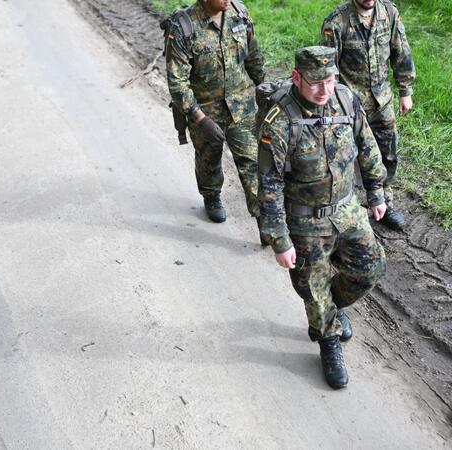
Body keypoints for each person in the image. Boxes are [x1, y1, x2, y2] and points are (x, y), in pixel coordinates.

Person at [257, 46, 388, 389]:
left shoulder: (345, 100)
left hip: (347, 209)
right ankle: (327, 340)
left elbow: (368, 145)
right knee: (312, 289)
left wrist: (375, 192)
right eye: (315, 82)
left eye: (329, 80)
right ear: (297, 78)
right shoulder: (280, 121)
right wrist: (280, 240)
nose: (323, 90)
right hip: (304, 220)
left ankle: (330, 307)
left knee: (370, 266)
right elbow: (269, 187)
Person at [162, 0, 265, 224]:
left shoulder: (239, 13)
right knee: (208, 160)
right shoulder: (183, 27)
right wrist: (199, 119)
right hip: (205, 111)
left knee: (253, 162)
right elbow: (177, 82)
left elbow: (253, 55)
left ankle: (265, 219)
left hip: (241, 106)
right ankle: (211, 196)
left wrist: (265, 89)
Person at [320, 0, 416, 230]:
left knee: (387, 154)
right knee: (345, 158)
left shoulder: (389, 13)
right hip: (349, 106)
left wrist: (405, 91)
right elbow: (327, 69)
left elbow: (401, 51)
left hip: (382, 102)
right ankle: (345, 209)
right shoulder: (337, 21)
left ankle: (385, 203)